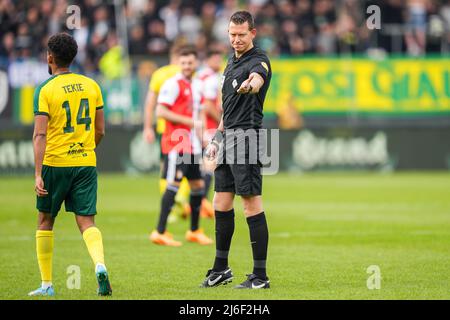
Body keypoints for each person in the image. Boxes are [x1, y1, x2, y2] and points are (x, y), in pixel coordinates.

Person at [30, 33, 111, 296]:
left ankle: (46, 285)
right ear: (74, 56)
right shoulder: (92, 85)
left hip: (55, 162)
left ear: (50, 57)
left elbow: (40, 134)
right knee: (87, 222)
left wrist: (38, 173)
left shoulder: (45, 89)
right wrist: (86, 150)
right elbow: (100, 131)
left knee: (45, 221)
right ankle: (99, 265)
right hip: (85, 162)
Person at [200, 11, 272, 289]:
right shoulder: (231, 61)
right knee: (220, 201)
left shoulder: (259, 60)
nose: (236, 39)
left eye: (241, 34)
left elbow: (257, 80)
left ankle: (260, 276)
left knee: (251, 203)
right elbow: (227, 110)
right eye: (232, 34)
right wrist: (216, 139)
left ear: (252, 33)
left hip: (247, 138)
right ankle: (221, 269)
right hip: (228, 137)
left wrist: (250, 86)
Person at [149, 46, 214, 246]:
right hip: (177, 144)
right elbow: (160, 112)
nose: (186, 66)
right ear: (178, 63)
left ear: (196, 63)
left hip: (192, 145)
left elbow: (200, 114)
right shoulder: (172, 84)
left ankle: (194, 230)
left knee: (198, 185)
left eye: (190, 62)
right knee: (173, 186)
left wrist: (204, 138)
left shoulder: (197, 85)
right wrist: (189, 123)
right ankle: (159, 231)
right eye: (183, 62)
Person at [142, 44, 192, 221]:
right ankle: (180, 198)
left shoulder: (160, 74)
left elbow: (150, 103)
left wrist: (148, 127)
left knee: (167, 168)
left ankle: (173, 202)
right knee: (187, 167)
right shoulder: (190, 75)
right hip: (187, 130)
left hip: (166, 130)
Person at [197, 49, 224, 219]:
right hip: (208, 126)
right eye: (216, 58)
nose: (219, 61)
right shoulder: (211, 78)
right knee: (210, 164)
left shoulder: (200, 76)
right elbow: (207, 105)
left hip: (199, 124)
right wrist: (222, 118)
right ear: (208, 60)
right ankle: (201, 202)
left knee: (205, 165)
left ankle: (200, 202)